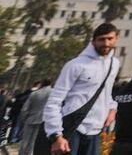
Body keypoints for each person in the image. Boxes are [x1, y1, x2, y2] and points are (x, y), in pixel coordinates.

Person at [43, 23, 120, 155]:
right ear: (93, 41)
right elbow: (54, 100)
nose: (106, 43)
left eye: (110, 38)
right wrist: (56, 135)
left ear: (116, 39)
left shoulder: (114, 64)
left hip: (95, 130)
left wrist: (113, 108)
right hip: (72, 128)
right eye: (101, 39)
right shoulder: (76, 65)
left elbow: (107, 93)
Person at [19, 78, 52, 153]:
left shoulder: (34, 93)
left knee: (25, 141)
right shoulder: (53, 93)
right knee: (34, 142)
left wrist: (24, 118)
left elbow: (24, 109)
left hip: (30, 119)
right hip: (43, 120)